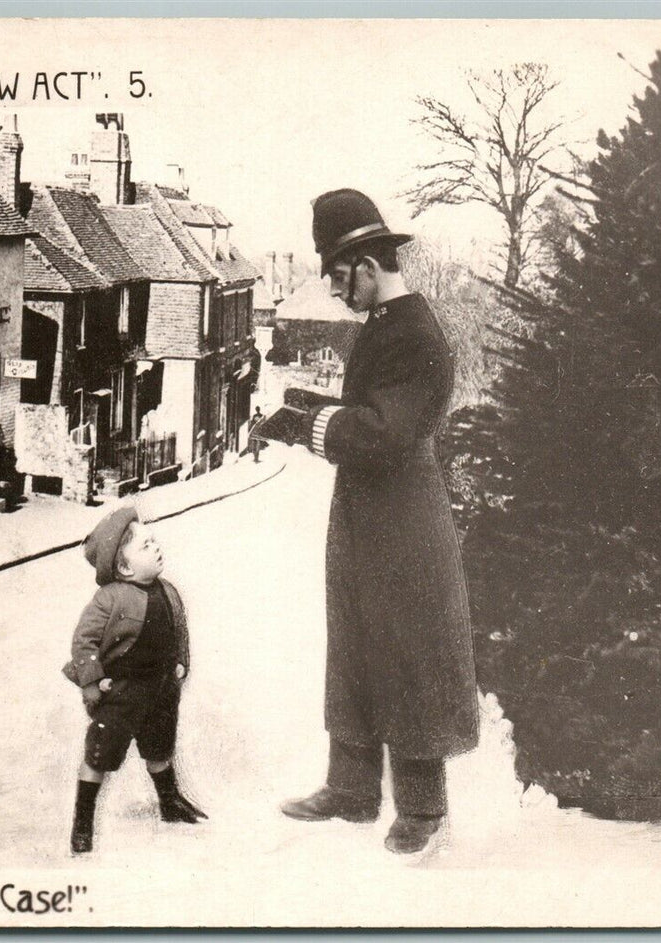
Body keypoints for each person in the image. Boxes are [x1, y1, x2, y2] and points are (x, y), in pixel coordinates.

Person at [277, 189, 478, 855]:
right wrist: (308, 408)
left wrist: (307, 421)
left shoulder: (415, 334)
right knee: (356, 638)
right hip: (367, 509)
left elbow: (388, 434)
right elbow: (366, 411)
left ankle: (421, 807)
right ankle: (352, 788)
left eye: (337, 276)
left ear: (366, 264)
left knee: (406, 648)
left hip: (402, 517)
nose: (335, 292)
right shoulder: (384, 328)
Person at [64, 505, 206, 854]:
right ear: (124, 567)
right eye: (145, 546)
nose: (156, 547)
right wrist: (92, 682)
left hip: (159, 688)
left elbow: (179, 629)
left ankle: (170, 803)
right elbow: (85, 641)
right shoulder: (109, 599)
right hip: (122, 693)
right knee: (100, 754)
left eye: (153, 540)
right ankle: (82, 823)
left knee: (159, 747)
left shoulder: (168, 590)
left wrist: (181, 664)